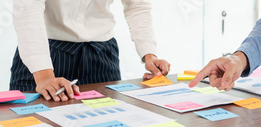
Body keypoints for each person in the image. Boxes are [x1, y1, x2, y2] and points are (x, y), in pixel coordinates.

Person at [10, 0, 170, 101]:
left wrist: (149, 54)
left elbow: (137, 6)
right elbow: (27, 8)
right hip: (44, 55)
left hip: (102, 56)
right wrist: (44, 76)